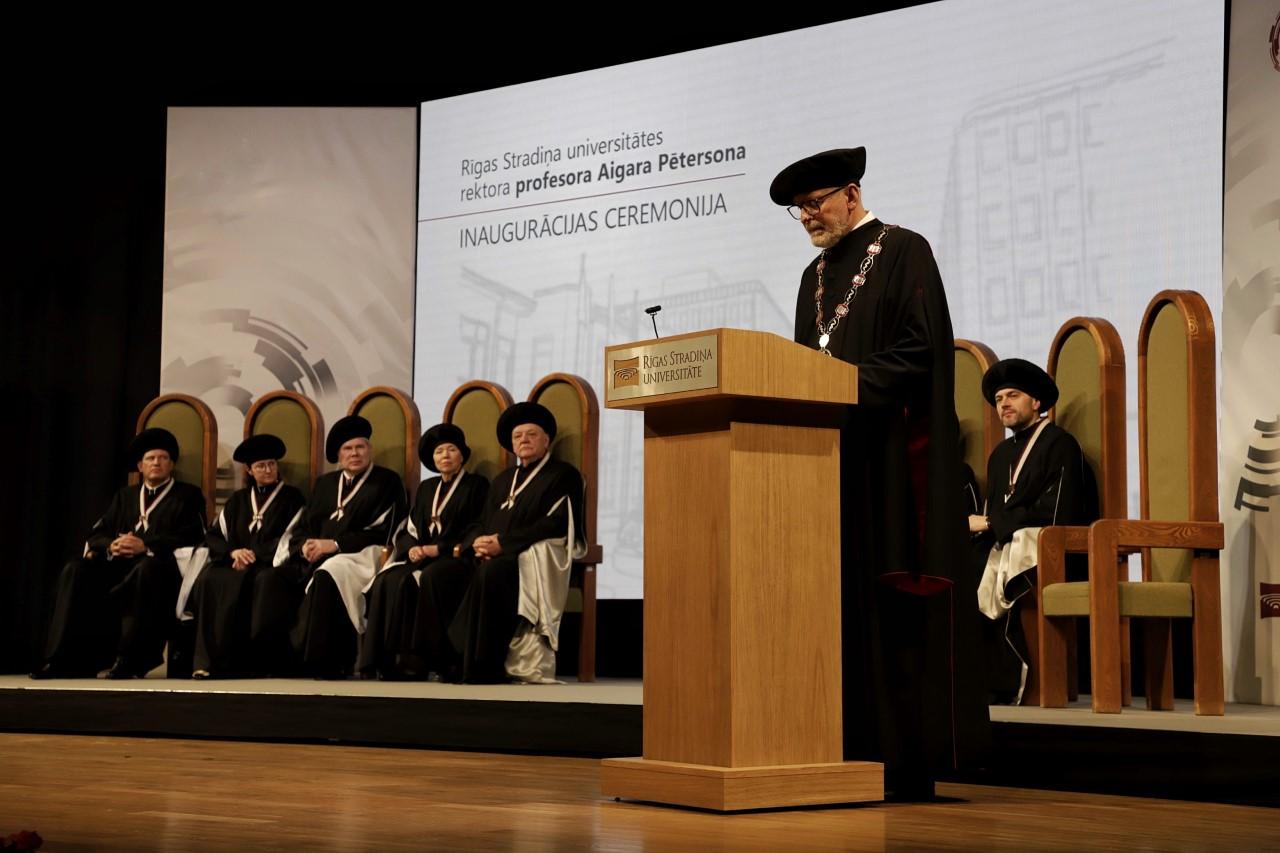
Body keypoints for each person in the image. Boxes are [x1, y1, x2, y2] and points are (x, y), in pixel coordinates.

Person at [771, 147, 989, 799]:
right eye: (798, 210)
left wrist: (842, 385)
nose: (808, 217)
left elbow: (920, 349)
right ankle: (837, 748)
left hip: (893, 461)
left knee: (892, 610)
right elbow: (801, 364)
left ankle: (902, 760)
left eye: (815, 203)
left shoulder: (903, 250)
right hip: (831, 463)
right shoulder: (812, 276)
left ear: (851, 193)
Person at [427, 402, 584, 684]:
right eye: (518, 436)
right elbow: (481, 521)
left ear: (546, 439)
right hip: (492, 553)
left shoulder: (563, 475)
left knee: (492, 572)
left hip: (526, 555)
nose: (524, 440)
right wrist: (477, 542)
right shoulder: (503, 480)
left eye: (531, 434)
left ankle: (483, 665)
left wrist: (504, 544)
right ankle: (449, 661)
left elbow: (556, 523)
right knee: (439, 573)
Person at [970, 358, 1097, 704]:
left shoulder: (1060, 445)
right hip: (1009, 546)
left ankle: (1015, 682)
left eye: (1013, 396)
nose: (1004, 404)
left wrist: (993, 523)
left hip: (1054, 553)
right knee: (963, 565)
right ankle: (979, 684)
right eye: (999, 399)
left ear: (1036, 401)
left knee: (994, 569)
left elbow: (1058, 512)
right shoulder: (1000, 456)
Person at [32, 428, 207, 679]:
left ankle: (130, 659)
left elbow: (195, 535)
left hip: (160, 568)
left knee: (145, 570)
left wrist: (145, 545)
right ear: (140, 466)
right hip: (119, 565)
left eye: (163, 458)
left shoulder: (188, 495)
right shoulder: (125, 496)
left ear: (172, 464)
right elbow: (98, 533)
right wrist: (111, 545)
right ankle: (62, 658)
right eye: (150, 458)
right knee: (75, 569)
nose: (156, 462)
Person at [257, 415, 406, 678]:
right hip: (317, 555)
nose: (354, 454)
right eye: (348, 449)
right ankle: (276, 661)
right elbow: (304, 525)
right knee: (272, 578)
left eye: (360, 447)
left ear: (369, 450)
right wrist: (304, 546)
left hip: (361, 555)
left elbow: (385, 530)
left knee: (329, 573)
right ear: (339, 455)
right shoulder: (325, 484)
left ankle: (323, 661)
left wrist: (336, 544)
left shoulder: (387, 481)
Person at [357, 423, 488, 680]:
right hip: (424, 557)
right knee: (387, 579)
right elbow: (409, 528)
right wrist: (412, 549)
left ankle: (426, 660)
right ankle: (384, 660)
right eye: (439, 452)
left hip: (457, 558)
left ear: (462, 455)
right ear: (433, 459)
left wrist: (440, 548)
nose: (445, 455)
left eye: (451, 450)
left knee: (429, 577)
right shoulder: (427, 488)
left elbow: (478, 526)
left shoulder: (477, 486)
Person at [182, 434, 306, 679]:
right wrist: (233, 553)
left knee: (252, 581)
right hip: (234, 561)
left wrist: (252, 556)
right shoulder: (238, 500)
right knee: (209, 578)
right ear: (249, 470)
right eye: (260, 466)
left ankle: (240, 663)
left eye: (271, 464)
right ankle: (207, 662)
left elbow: (292, 537)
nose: (267, 470)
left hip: (269, 564)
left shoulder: (293, 498)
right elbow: (214, 535)